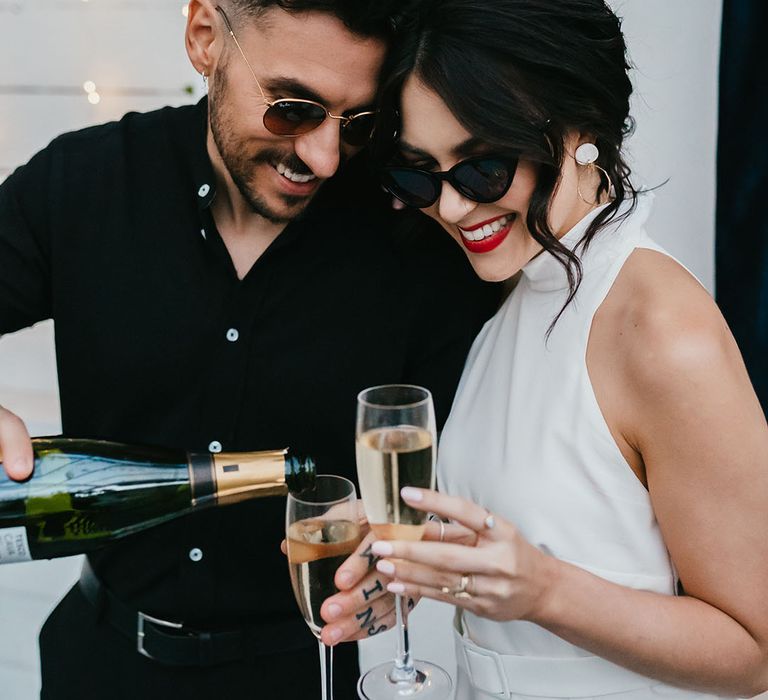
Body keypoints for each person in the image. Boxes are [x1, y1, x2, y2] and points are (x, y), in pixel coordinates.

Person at [0, 1, 498, 698]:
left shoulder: (413, 241)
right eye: (293, 108)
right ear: (205, 38)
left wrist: (404, 570)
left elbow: (456, 477)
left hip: (306, 674)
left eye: (356, 124)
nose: (324, 158)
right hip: (97, 663)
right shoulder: (83, 182)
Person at [321, 1, 768, 697]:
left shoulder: (661, 333)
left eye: (482, 168)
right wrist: (415, 581)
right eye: (419, 175)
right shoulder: (520, 286)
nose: (453, 207)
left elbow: (753, 653)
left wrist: (545, 591)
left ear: (583, 123)